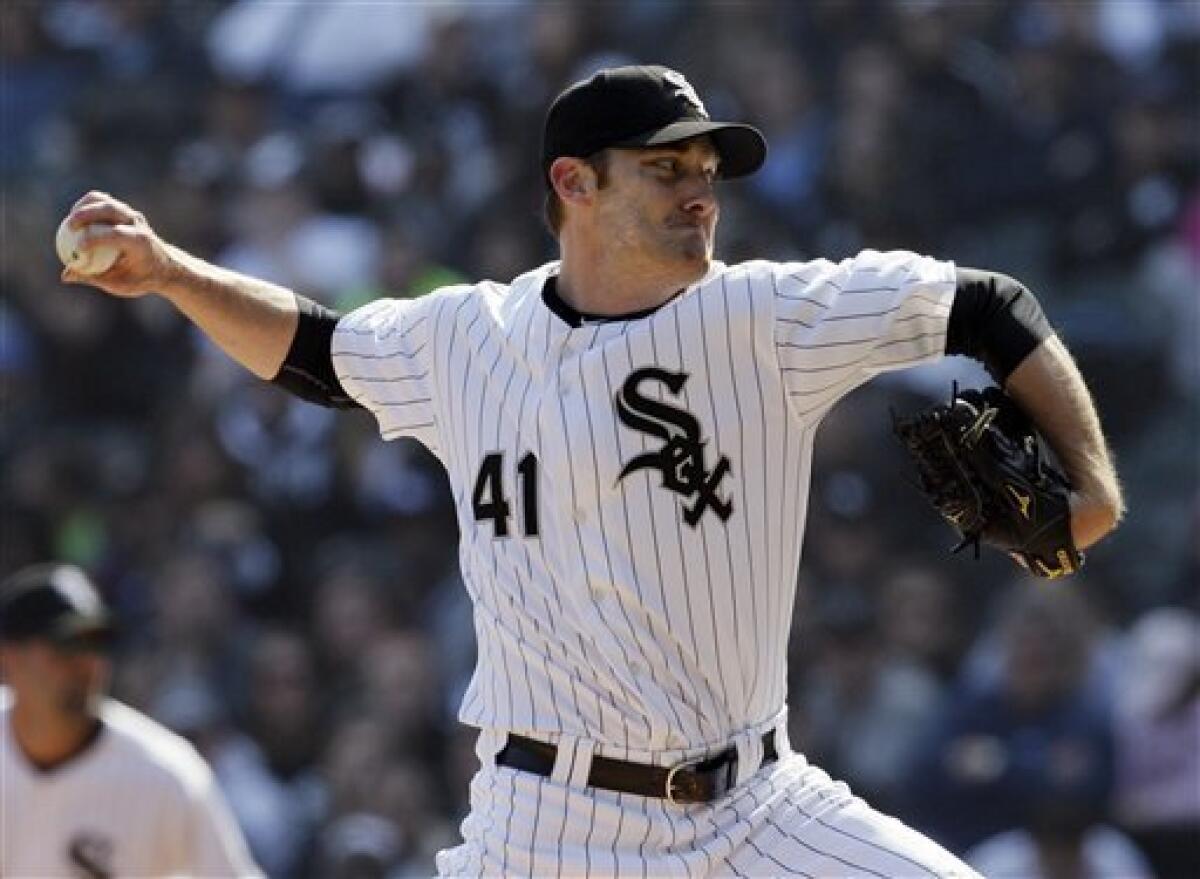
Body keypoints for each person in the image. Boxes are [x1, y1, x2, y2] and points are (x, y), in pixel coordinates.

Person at [61, 64, 1123, 877]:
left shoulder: (767, 317)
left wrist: (1091, 481)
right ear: (574, 182)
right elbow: (318, 352)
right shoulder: (467, 336)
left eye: (707, 172)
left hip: (760, 806)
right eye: (667, 168)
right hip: (549, 825)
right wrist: (168, 273)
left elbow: (988, 304)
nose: (700, 192)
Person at [0, 562, 261, 878]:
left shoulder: (164, 774)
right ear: (9, 658)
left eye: (95, 643)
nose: (86, 663)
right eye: (65, 647)